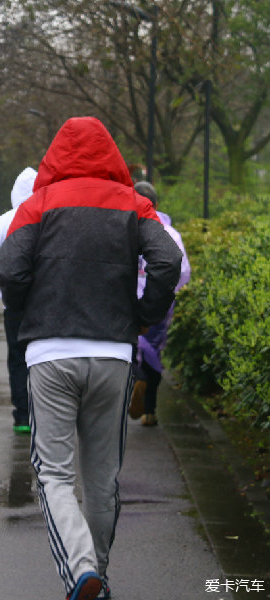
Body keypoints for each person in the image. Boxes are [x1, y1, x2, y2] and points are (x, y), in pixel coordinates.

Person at [0, 117, 182, 600]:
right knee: (103, 479)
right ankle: (97, 572)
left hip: (51, 353)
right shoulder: (133, 204)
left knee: (54, 474)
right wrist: (143, 317)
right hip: (114, 354)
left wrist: (26, 312)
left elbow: (10, 266)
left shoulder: (37, 204)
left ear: (55, 156)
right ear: (112, 155)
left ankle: (81, 573)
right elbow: (167, 261)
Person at [0, 167, 37, 434]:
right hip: (49, 303)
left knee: (18, 359)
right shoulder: (51, 216)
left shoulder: (4, 221)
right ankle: (46, 414)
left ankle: (22, 416)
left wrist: (0, 275)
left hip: (14, 304)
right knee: (47, 359)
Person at [127, 181, 191, 427]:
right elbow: (183, 271)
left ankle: (135, 380)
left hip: (127, 303)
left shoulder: (124, 229)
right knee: (154, 351)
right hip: (159, 304)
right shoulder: (170, 234)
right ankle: (149, 410)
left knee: (129, 350)